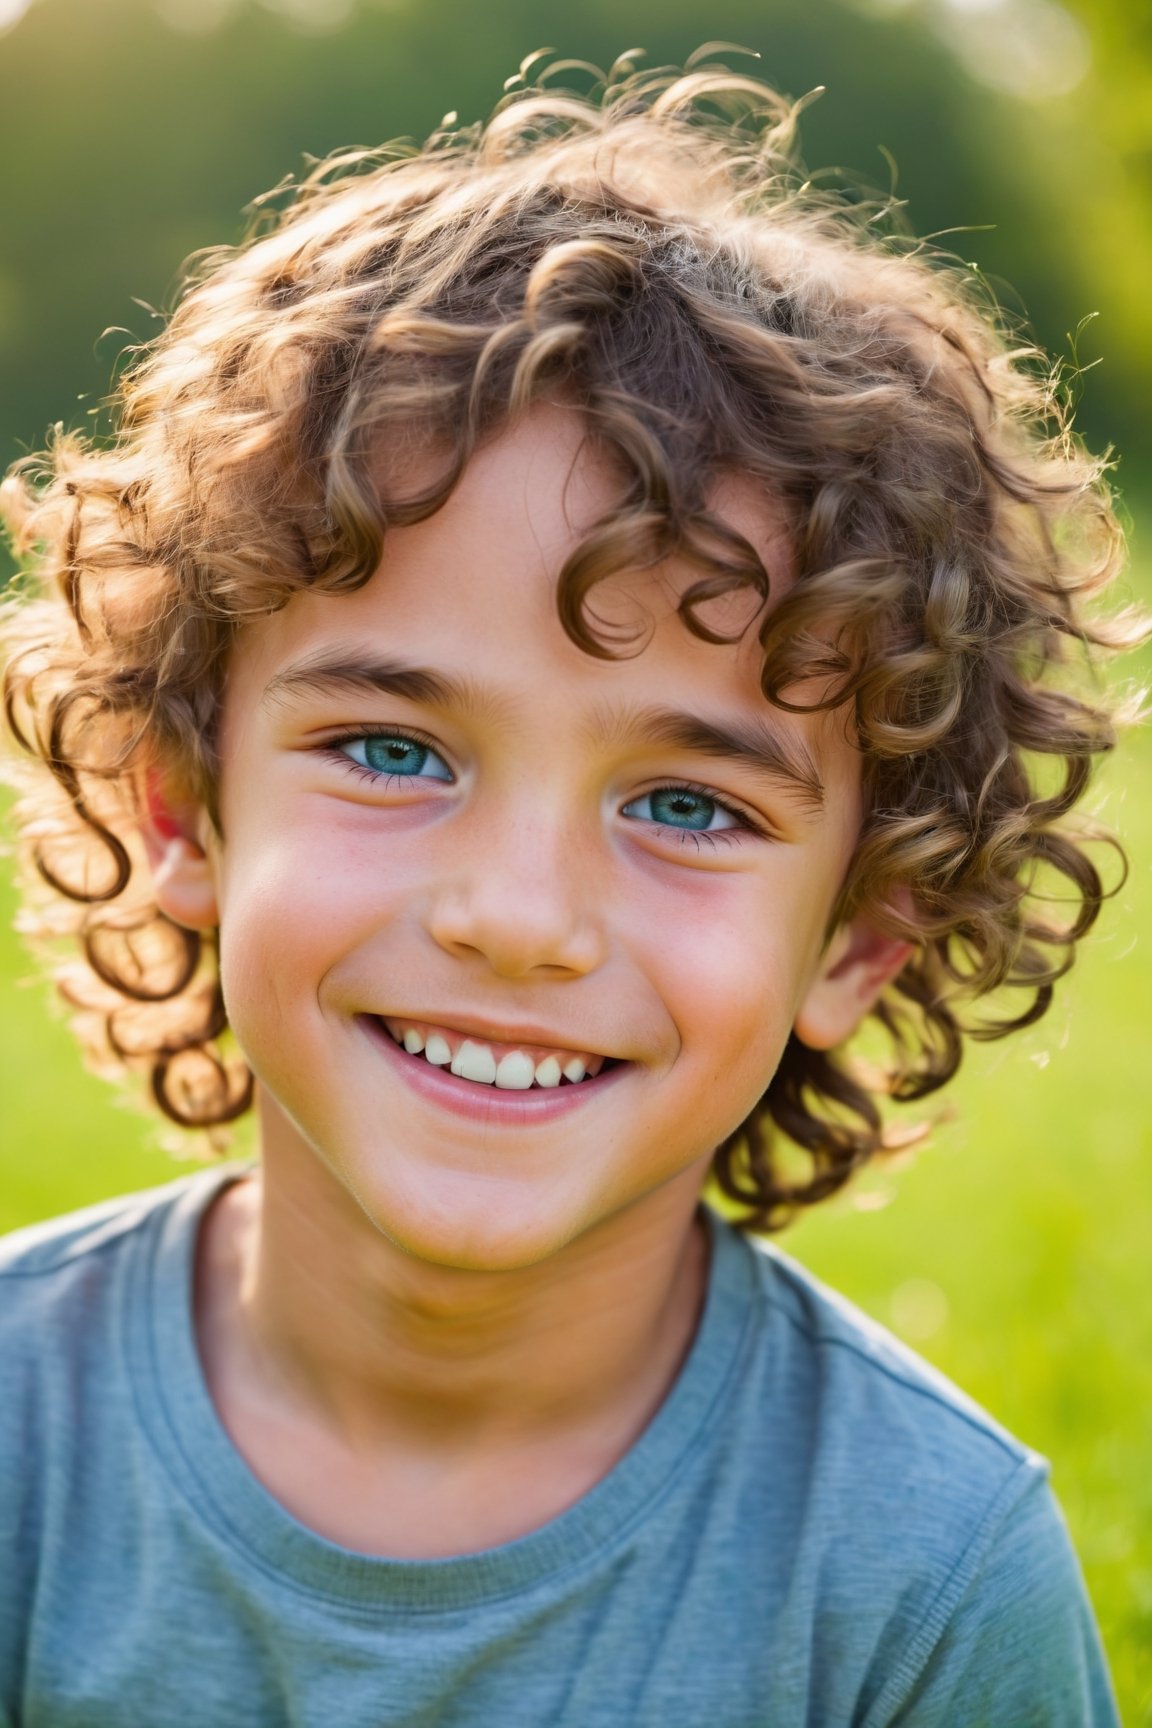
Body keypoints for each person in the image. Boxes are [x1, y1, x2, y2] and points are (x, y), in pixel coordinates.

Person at [0, 54, 1133, 1727]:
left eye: (686, 802)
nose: (518, 916)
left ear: (861, 933)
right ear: (181, 809)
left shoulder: (923, 1585)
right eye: (394, 753)